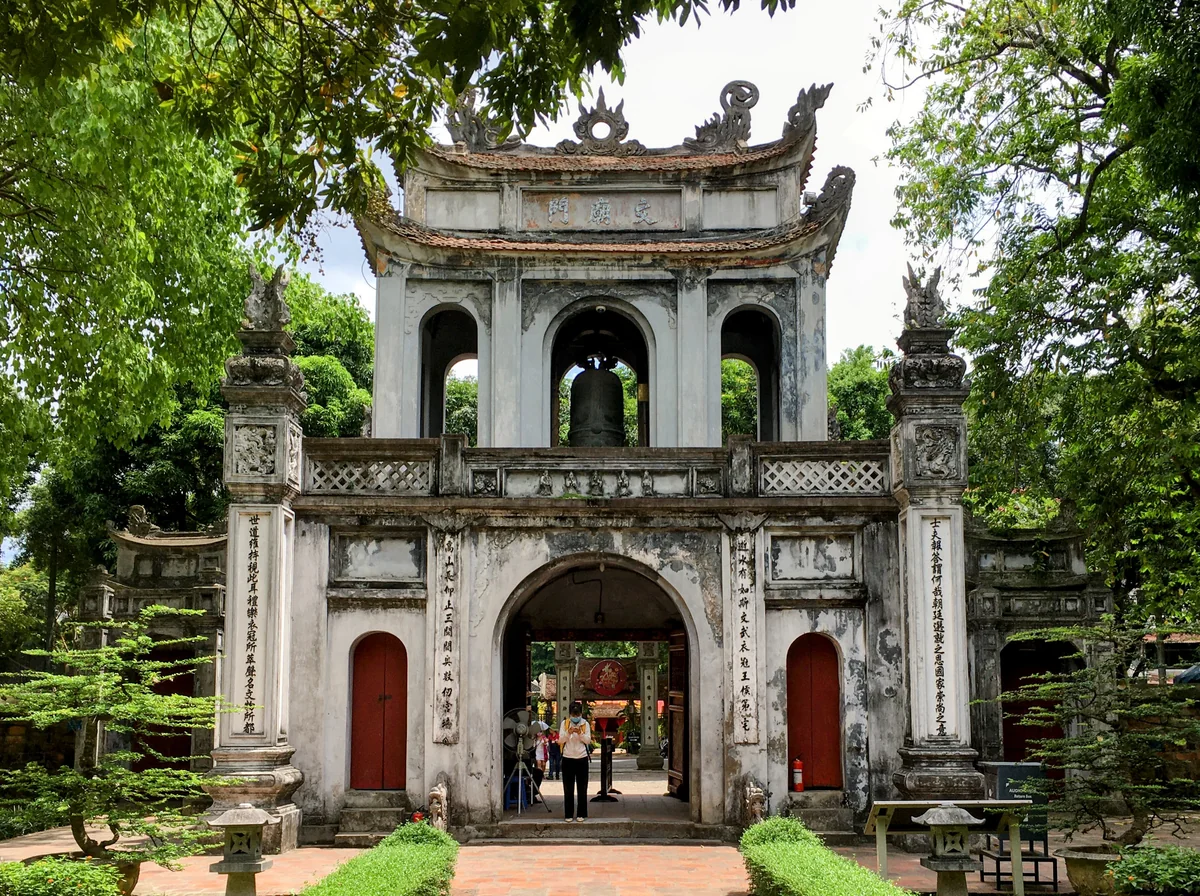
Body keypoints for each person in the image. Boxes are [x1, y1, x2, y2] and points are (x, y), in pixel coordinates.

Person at [559, 700, 591, 822]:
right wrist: (569, 732)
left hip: (582, 758)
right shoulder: (565, 724)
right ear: (570, 714)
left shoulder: (585, 724)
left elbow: (588, 741)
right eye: (574, 715)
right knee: (568, 787)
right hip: (568, 758)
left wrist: (580, 733)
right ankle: (568, 814)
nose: (575, 717)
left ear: (581, 714)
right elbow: (560, 740)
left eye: (577, 715)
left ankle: (581, 813)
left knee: (582, 787)